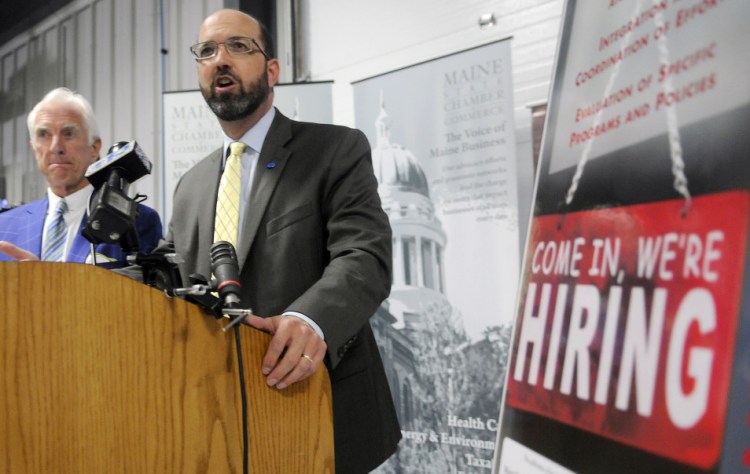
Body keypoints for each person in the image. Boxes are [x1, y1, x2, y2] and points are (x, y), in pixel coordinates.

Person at [165, 9, 400, 473]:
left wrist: (311, 319)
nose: (220, 60)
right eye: (207, 51)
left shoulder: (335, 151)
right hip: (220, 427)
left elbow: (364, 255)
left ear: (272, 70)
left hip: (322, 411)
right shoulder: (189, 187)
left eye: (238, 46)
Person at [0, 87, 162, 266]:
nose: (56, 147)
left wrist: (44, 284)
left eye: (68, 134)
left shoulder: (138, 223)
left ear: (94, 148)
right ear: (34, 148)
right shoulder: (4, 227)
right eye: (44, 135)